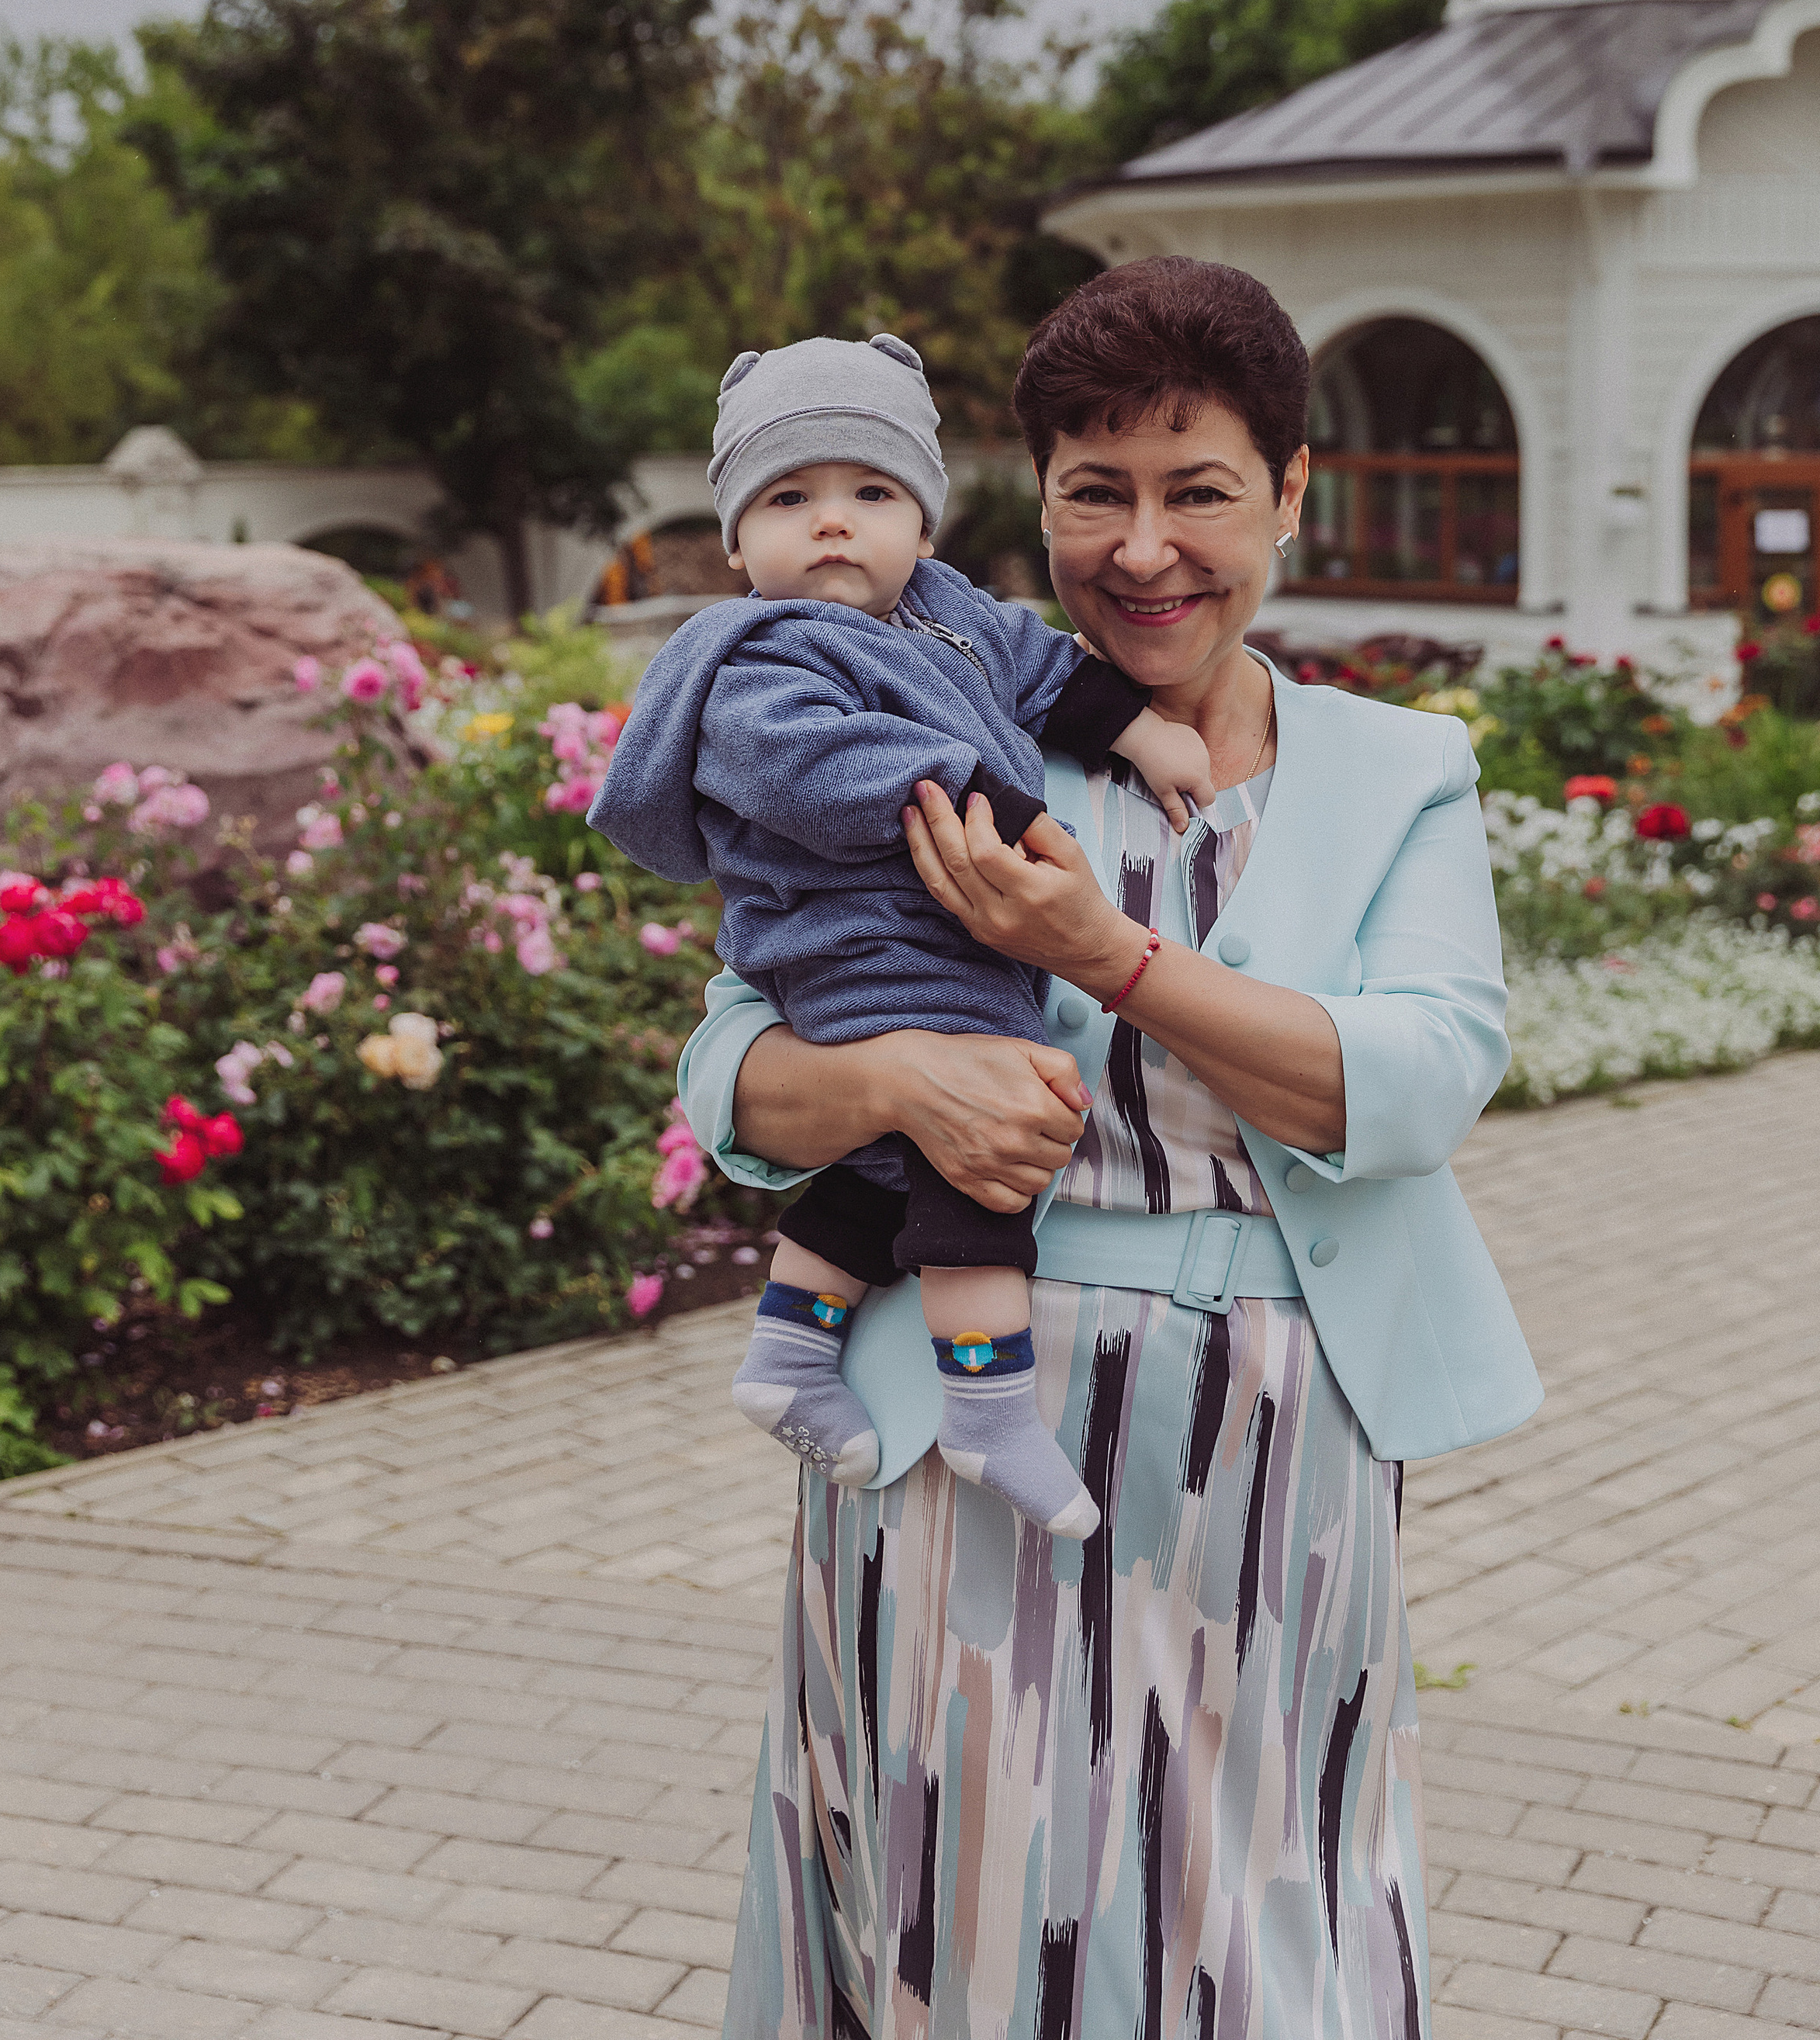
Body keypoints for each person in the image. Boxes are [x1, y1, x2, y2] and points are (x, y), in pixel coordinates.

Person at [677, 256, 1542, 2040]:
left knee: (1264, 1907)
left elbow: (1413, 1081)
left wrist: (1108, 957)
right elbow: (730, 1072)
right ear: (1035, 505)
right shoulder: (961, 725)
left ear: (1291, 496)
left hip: (1274, 1455)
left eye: (1197, 490)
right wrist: (900, 1090)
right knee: (972, 1907)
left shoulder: (1398, 774)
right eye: (1095, 495)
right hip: (961, 1428)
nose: (1142, 549)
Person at [590, 331, 1220, 1539]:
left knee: (885, 1173)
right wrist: (1012, 806)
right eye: (790, 498)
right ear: (736, 542)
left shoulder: (953, 615)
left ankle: (786, 1352)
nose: (833, 523)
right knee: (984, 1137)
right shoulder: (758, 659)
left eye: (871, 494)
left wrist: (1135, 731)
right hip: (850, 941)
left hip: (933, 924)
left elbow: (1044, 673)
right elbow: (825, 772)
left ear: (923, 529)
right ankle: (986, 1411)